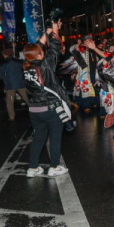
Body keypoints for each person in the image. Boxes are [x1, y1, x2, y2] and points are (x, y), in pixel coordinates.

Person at [22, 22, 70, 178]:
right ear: (40, 54)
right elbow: (56, 47)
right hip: (50, 108)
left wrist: (47, 32)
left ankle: (33, 168)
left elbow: (35, 48)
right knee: (55, 138)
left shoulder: (26, 66)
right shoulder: (46, 64)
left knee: (38, 138)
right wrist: (55, 31)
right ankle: (54, 166)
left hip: (34, 110)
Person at [0, 48, 28, 122]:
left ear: (5, 54)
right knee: (26, 99)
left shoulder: (4, 63)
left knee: (10, 101)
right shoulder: (18, 61)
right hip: (20, 83)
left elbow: (0, 74)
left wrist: (4, 78)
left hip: (10, 85)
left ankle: (12, 117)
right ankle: (35, 111)